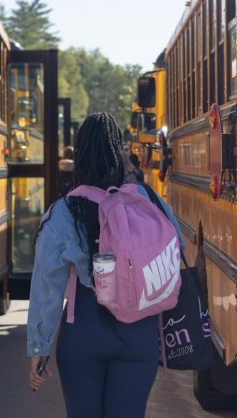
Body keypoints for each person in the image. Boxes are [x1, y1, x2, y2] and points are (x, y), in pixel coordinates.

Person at [27, 112, 184, 418]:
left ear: (80, 156)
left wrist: (38, 348)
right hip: (138, 334)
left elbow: (47, 286)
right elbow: (176, 245)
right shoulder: (147, 200)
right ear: (118, 152)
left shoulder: (65, 210)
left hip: (83, 331)